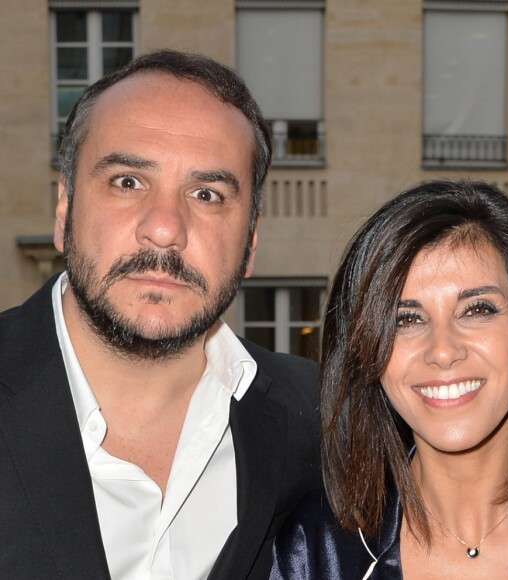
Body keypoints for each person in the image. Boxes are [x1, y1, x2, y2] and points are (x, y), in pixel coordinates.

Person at [0, 50, 320, 579]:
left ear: (251, 241)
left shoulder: (318, 419)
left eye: (207, 194)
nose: (166, 227)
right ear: (64, 209)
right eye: (128, 182)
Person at [270, 179, 508, 579]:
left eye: (477, 309)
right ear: (371, 352)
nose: (443, 350)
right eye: (407, 319)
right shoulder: (315, 550)